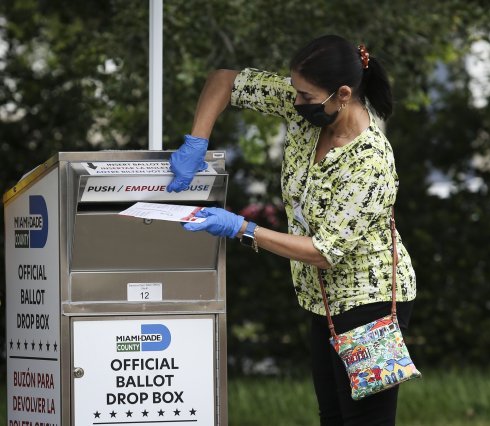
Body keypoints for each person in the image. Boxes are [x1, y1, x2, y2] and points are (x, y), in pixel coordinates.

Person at [168, 34, 417, 426]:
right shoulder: (309, 107)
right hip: (323, 300)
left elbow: (324, 251)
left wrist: (242, 228)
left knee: (365, 422)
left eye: (304, 95)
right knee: (332, 416)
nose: (295, 101)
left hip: (371, 303)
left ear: (343, 94)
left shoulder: (370, 160)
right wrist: (197, 139)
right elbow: (225, 80)